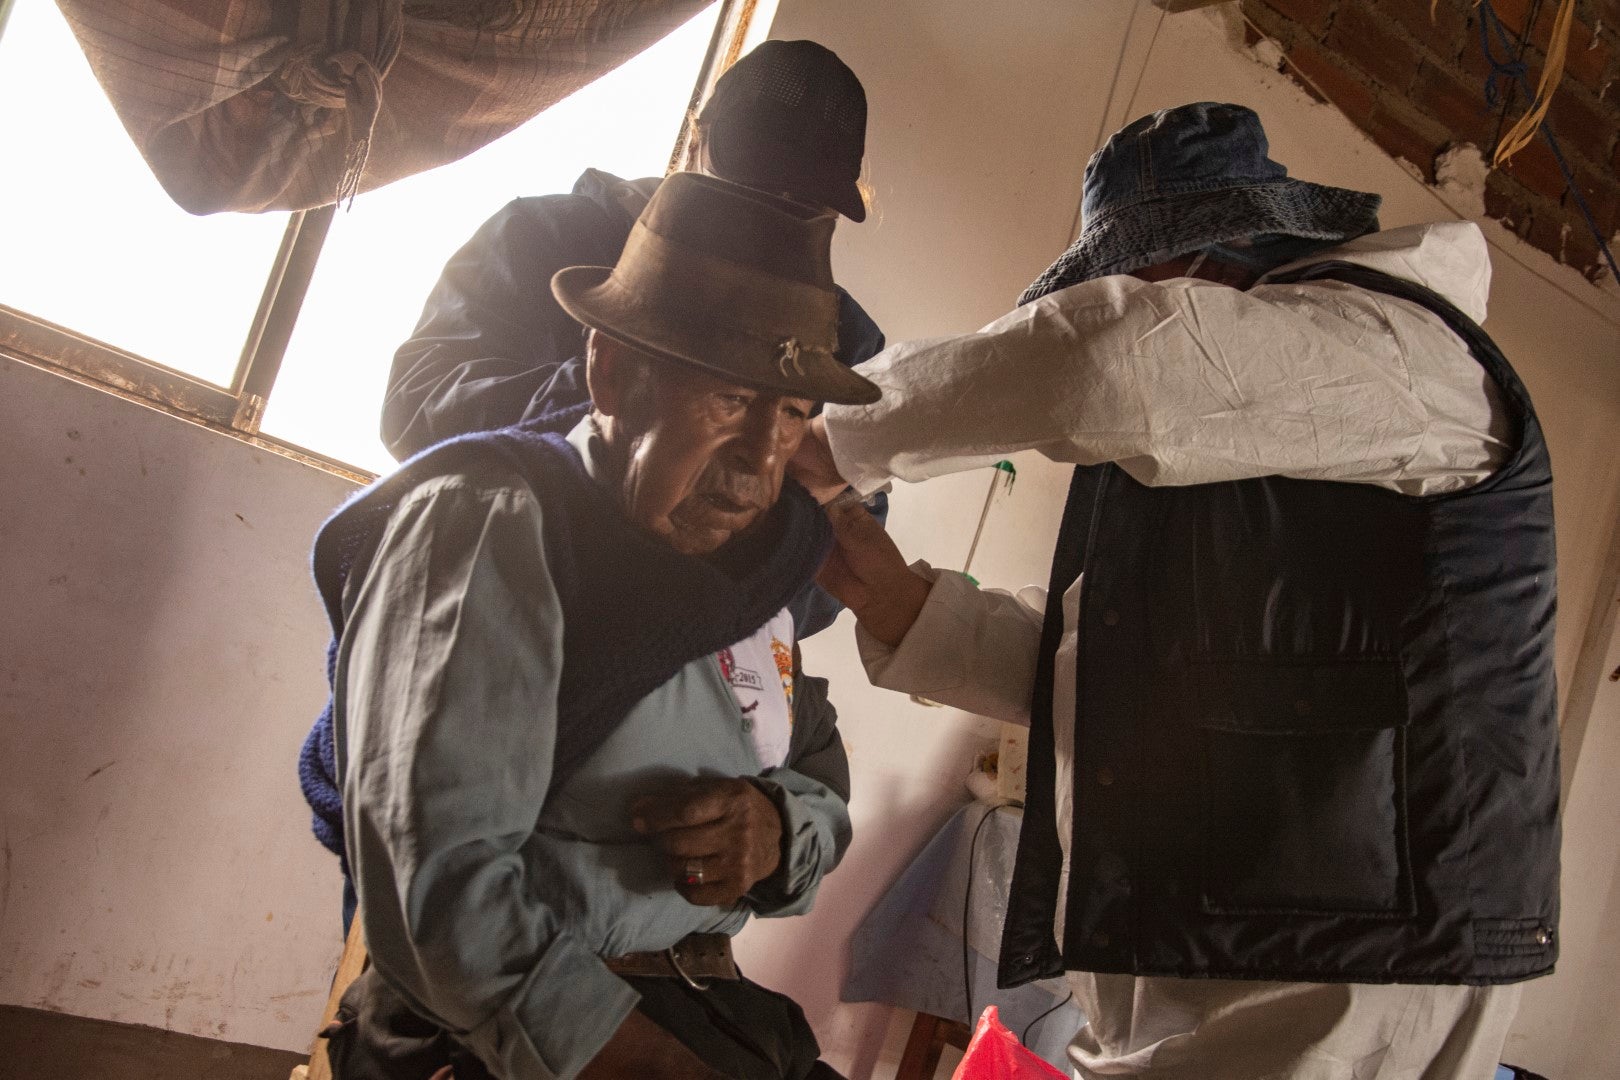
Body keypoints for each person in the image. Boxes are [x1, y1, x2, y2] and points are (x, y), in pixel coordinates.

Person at [792, 102, 1559, 1080]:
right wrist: (901, 602)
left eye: (1128, 286)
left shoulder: (1401, 351)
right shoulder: (1279, 448)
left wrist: (827, 440)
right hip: (1245, 962)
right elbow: (1125, 668)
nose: (1120, 309)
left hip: (1348, 982)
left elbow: (1105, 359)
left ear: (1207, 267)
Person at [312, 172, 880, 1080]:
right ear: (610, 372)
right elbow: (443, 900)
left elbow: (817, 770)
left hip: (717, 1010)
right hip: (518, 1042)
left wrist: (779, 831)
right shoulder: (496, 525)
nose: (758, 463)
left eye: (791, 417)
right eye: (730, 401)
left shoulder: (758, 563)